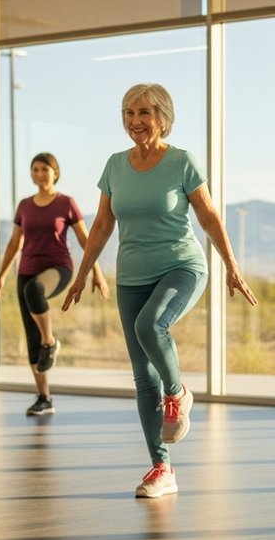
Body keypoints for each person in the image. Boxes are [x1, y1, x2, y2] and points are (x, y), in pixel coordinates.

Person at [63, 83, 257, 499]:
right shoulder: (115, 165)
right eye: (129, 114)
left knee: (151, 325)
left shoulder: (182, 162)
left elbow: (208, 215)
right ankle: (161, 468)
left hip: (181, 266)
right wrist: (83, 272)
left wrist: (232, 266)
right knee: (141, 376)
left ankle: (178, 393)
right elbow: (101, 225)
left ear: (163, 118)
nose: (136, 122)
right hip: (131, 274)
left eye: (144, 113)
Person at [0, 152, 108, 416]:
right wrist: (0, 276)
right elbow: (14, 244)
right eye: (35, 169)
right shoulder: (24, 206)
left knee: (35, 290)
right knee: (31, 336)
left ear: (55, 172)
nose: (40, 174)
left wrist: (95, 272)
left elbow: (85, 239)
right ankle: (44, 397)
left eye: (45, 169)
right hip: (26, 270)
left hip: (58, 268)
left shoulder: (66, 203)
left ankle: (50, 341)